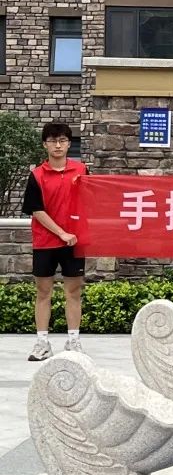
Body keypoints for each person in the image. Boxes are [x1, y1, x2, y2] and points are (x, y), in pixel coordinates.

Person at [22, 122, 88, 362]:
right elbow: (36, 210)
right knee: (43, 292)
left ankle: (73, 341)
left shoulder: (82, 170)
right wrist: (61, 233)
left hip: (75, 242)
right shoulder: (37, 175)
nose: (57, 145)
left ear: (69, 144)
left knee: (74, 291)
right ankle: (42, 343)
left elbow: (91, 200)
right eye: (52, 141)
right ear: (45, 144)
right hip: (45, 242)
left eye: (62, 140)